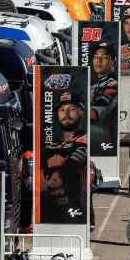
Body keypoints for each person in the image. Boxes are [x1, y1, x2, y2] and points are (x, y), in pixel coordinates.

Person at [43, 92, 88, 221]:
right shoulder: (51, 145)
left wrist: (56, 174)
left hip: (73, 206)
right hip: (48, 207)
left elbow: (70, 169)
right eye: (62, 110)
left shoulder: (85, 141)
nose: (66, 113)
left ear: (81, 111)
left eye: (72, 109)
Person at [90, 43, 119, 150]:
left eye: (104, 57)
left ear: (113, 61)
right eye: (96, 57)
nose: (98, 60)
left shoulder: (113, 84)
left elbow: (96, 113)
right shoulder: (93, 85)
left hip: (104, 140)